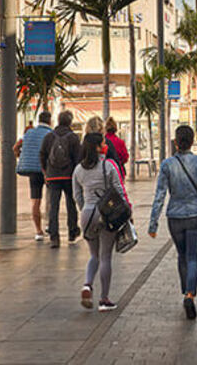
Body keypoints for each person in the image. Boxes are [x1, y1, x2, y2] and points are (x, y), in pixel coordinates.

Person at [148, 125, 197, 320]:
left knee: (182, 255)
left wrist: (153, 224)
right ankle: (190, 294)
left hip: (175, 217)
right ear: (193, 141)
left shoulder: (167, 165)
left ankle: (185, 290)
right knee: (194, 256)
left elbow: (160, 195)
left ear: (176, 142)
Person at [73, 132, 130, 313]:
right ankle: (104, 299)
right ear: (98, 147)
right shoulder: (108, 165)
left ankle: (87, 285)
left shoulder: (78, 170)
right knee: (106, 256)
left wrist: (85, 209)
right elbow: (119, 189)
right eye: (103, 143)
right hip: (106, 214)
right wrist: (127, 210)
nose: (105, 145)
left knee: (93, 255)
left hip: (87, 215)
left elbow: (77, 195)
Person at [40, 110, 81, 248]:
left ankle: (54, 236)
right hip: (69, 176)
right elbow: (78, 159)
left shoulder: (49, 136)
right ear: (70, 121)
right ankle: (72, 232)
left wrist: (46, 172)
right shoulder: (73, 137)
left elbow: (42, 154)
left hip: (53, 176)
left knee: (54, 206)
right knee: (71, 204)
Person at [14, 111, 53, 240]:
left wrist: (21, 156)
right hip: (46, 171)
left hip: (32, 171)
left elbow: (15, 147)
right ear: (50, 121)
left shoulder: (29, 133)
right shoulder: (50, 134)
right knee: (50, 199)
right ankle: (49, 225)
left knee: (36, 201)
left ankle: (38, 231)